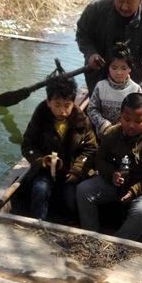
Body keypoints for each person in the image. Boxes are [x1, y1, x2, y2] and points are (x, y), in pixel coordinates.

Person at [76, 93, 142, 240]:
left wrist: (136, 190)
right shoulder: (111, 133)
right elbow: (100, 159)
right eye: (126, 119)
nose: (131, 125)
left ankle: (117, 244)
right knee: (83, 190)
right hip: (114, 184)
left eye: (138, 121)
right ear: (120, 116)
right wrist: (111, 174)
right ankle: (90, 237)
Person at [76, 0, 142, 114]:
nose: (124, 6)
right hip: (98, 71)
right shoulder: (96, 9)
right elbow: (82, 34)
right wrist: (91, 53)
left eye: (130, 2)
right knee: (99, 111)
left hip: (132, 75)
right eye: (119, 0)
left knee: (130, 114)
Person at [21, 76, 97, 220]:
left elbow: (91, 149)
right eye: (57, 105)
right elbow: (28, 145)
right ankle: (37, 223)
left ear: (73, 102)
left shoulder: (81, 120)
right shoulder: (40, 116)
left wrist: (77, 170)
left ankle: (68, 224)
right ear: (48, 102)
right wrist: (41, 160)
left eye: (67, 105)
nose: (62, 111)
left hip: (70, 171)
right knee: (39, 190)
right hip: (44, 171)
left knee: (71, 201)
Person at [87, 42, 142, 138]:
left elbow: (140, 114)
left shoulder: (135, 89)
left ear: (130, 69)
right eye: (114, 68)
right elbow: (92, 109)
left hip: (126, 137)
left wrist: (123, 125)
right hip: (103, 136)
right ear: (108, 67)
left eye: (124, 68)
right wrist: (103, 123)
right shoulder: (100, 86)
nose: (119, 72)